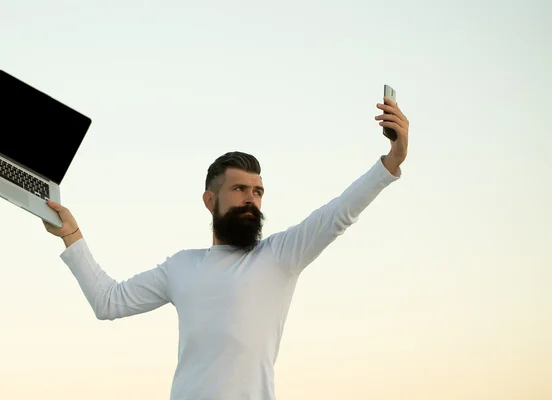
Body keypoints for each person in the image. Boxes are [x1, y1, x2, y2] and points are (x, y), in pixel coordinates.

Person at [43, 96, 409, 400]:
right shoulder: (181, 267)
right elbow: (108, 301)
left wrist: (391, 161)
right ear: (209, 200)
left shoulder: (279, 256)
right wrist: (71, 236)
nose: (251, 199)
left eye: (258, 191)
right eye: (239, 190)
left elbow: (339, 213)